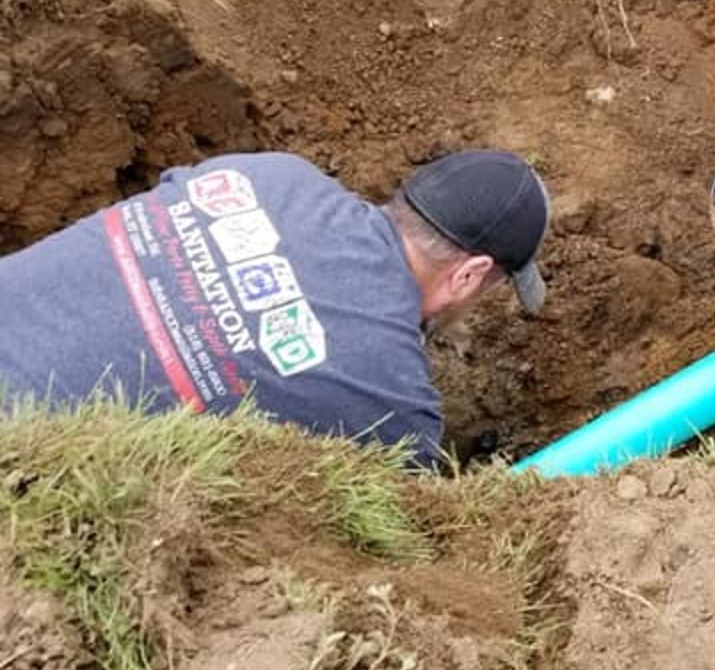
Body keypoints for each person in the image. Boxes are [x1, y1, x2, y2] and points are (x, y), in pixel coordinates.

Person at [0, 148, 550, 464]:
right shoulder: (394, 403)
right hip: (23, 478)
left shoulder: (269, 173)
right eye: (494, 285)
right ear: (469, 274)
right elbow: (408, 529)